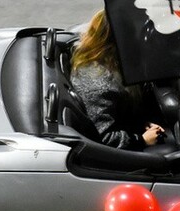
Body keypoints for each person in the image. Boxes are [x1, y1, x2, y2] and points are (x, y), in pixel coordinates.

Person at [70, 10, 164, 149]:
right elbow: (102, 137)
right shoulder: (101, 84)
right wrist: (141, 140)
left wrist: (142, 123)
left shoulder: (106, 61)